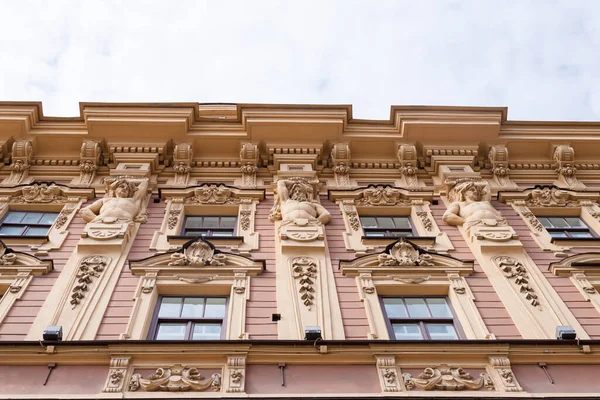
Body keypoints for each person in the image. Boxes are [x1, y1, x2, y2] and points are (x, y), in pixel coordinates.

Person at [80, 177, 148, 223]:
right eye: (121, 186)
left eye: (127, 188)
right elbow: (84, 210)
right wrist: (96, 219)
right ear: (115, 190)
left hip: (124, 222)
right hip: (101, 222)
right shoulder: (105, 200)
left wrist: (128, 182)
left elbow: (144, 182)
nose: (124, 189)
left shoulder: (134, 200)